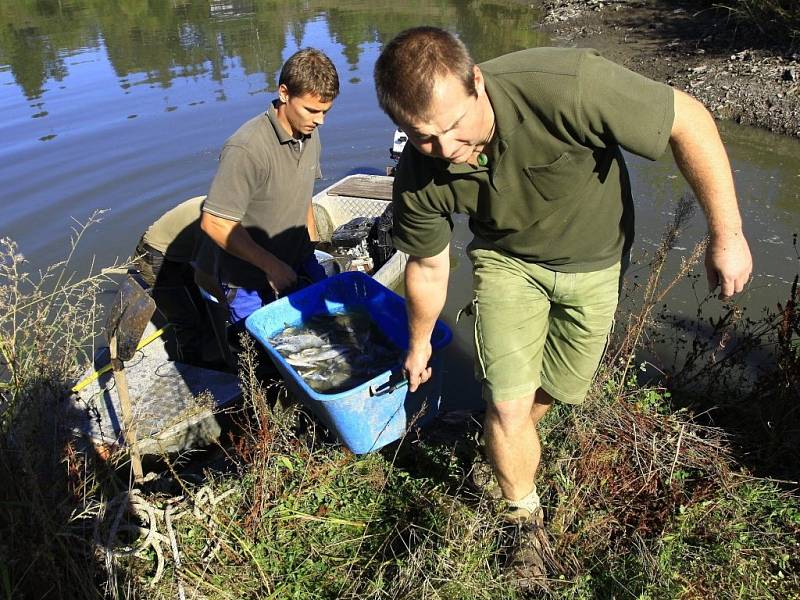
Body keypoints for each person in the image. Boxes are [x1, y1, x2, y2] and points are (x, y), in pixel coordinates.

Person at [373, 27, 752, 578]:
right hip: (508, 262)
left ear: (476, 82)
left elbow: (687, 119)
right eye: (422, 137)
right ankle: (523, 519)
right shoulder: (419, 171)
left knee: (558, 391)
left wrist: (728, 233)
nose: (446, 150)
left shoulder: (566, 85)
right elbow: (430, 265)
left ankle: (497, 439)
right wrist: (419, 340)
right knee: (507, 402)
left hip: (595, 263)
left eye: (454, 127)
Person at [196, 48, 339, 330]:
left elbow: (303, 193)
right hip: (247, 279)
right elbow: (214, 222)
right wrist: (271, 266)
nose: (320, 120)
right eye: (312, 110)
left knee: (328, 328)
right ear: (284, 93)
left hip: (299, 260)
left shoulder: (309, 132)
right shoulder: (247, 148)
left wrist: (312, 244)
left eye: (325, 111)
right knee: (259, 357)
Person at [134, 196, 209, 364]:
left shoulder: (226, 204)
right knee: (187, 318)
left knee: (199, 305)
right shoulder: (219, 221)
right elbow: (205, 275)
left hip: (177, 252)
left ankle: (210, 352)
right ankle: (194, 367)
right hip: (154, 256)